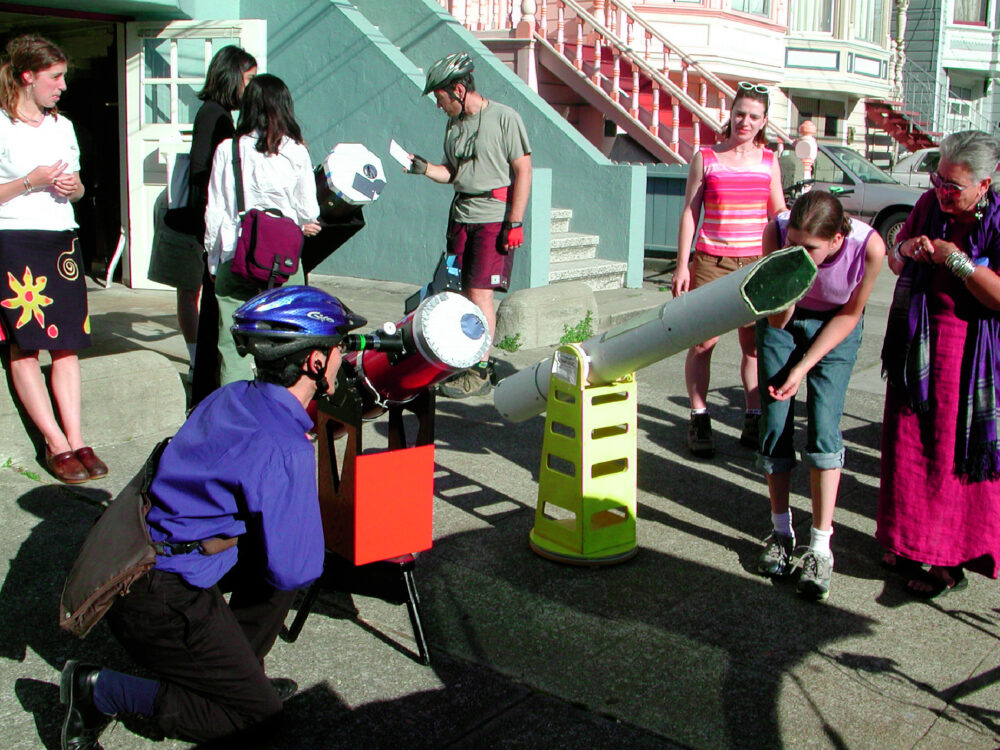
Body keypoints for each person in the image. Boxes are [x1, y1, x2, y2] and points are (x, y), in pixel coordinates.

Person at [58, 285, 366, 749]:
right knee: (259, 722)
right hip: (159, 598)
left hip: (142, 559)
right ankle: (97, 689)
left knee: (268, 566)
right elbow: (298, 568)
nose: (346, 355)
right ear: (315, 363)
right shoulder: (284, 449)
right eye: (341, 345)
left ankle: (239, 678)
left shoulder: (231, 397)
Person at [877, 130, 1000, 599]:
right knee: (908, 447)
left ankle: (949, 560)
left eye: (955, 187)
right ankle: (907, 541)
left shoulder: (999, 221)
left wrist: (960, 263)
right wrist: (907, 251)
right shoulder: (928, 204)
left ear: (984, 185)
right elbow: (895, 257)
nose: (943, 192)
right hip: (917, 342)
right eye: (939, 180)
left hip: (968, 353)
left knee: (950, 455)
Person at [754, 191, 884, 600]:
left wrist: (803, 366)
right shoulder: (775, 232)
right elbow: (776, 315)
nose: (797, 252)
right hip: (785, 319)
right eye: (792, 243)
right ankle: (779, 530)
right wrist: (790, 279)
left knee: (824, 428)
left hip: (836, 326)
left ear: (836, 241)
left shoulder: (869, 248)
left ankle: (821, 547)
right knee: (775, 423)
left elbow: (850, 314)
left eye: (808, 248)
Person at [0, 35, 106, 484]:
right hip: (14, 238)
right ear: (28, 76)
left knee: (68, 343)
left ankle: (78, 438)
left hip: (61, 238)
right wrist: (30, 181)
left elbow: (80, 186)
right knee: (24, 345)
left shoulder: (62, 126)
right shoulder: (2, 126)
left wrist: (71, 189)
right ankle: (54, 442)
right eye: (55, 77)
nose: (62, 86)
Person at [407, 51, 531, 398]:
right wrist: (424, 168)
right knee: (457, 293)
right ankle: (462, 360)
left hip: (492, 219)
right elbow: (453, 173)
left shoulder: (505, 118)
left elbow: (523, 170)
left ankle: (479, 368)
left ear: (459, 89)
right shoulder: (454, 125)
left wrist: (515, 221)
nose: (438, 104)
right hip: (460, 217)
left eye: (440, 97)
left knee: (479, 295)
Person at [672, 82, 785, 457]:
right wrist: (683, 264)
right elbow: (691, 211)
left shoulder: (770, 161)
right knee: (703, 343)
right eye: (740, 114)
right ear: (731, 114)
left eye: (754, 116)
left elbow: (778, 214)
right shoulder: (706, 157)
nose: (745, 122)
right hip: (710, 261)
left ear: (763, 121)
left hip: (755, 262)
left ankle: (753, 417)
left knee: (753, 346)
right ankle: (699, 416)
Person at [152, 45, 256, 402]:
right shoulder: (215, 115)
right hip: (205, 222)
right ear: (233, 77)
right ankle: (204, 375)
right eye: (249, 79)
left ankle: (205, 375)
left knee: (206, 299)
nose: (252, 87)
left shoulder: (216, 113)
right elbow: (202, 170)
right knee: (205, 298)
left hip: (205, 220)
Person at [204, 73, 321, 386]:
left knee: (232, 345)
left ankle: (237, 416)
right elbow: (309, 211)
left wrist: (214, 261)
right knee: (289, 339)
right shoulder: (295, 151)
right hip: (283, 261)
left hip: (236, 253)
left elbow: (215, 211)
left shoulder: (228, 150)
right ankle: (284, 414)